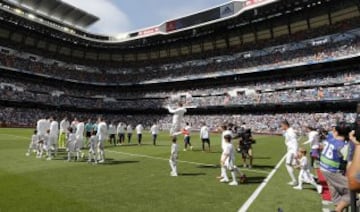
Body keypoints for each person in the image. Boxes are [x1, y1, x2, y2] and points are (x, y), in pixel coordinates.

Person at [320, 124, 352, 212]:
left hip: (324, 168)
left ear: (336, 132)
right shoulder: (344, 146)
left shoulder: (330, 139)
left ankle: (338, 208)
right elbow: (349, 162)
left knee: (337, 196)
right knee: (352, 191)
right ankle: (338, 210)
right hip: (333, 171)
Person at [281, 120, 299, 186]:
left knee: (289, 164)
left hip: (292, 150)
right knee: (293, 165)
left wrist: (295, 153)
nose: (281, 127)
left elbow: (295, 142)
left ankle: (295, 180)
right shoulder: (288, 131)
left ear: (285, 125)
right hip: (291, 150)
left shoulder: (290, 131)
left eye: (282, 126)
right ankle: (295, 180)